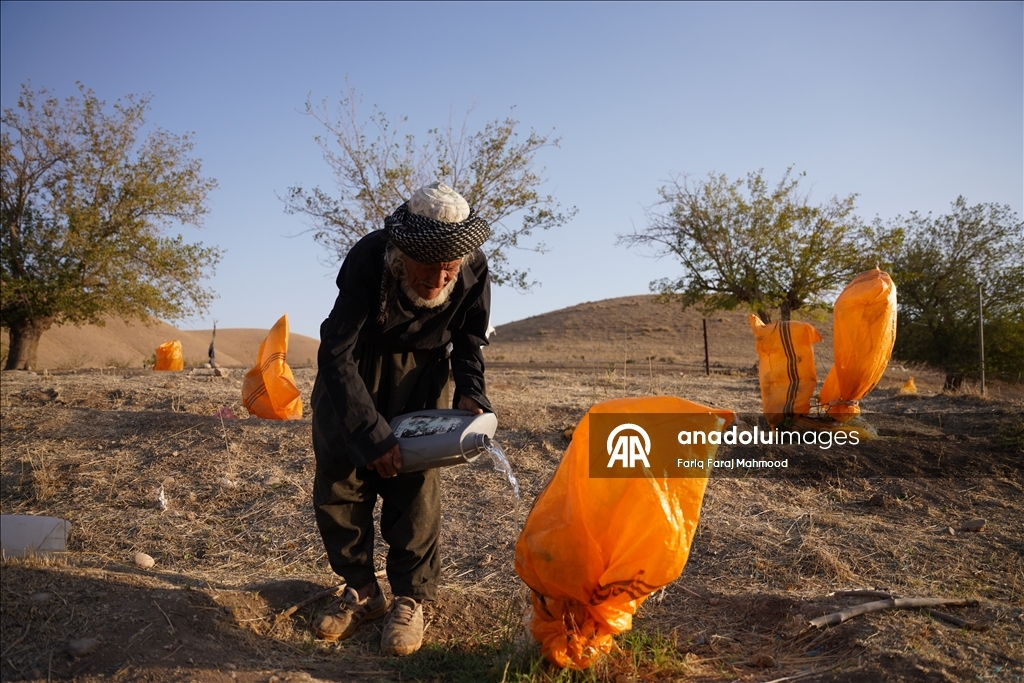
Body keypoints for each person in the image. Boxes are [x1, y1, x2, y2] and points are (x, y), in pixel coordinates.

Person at [310, 182, 493, 656]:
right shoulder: (371, 257)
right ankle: (362, 592)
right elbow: (334, 349)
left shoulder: (473, 266)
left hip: (422, 374)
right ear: (402, 254)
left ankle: (410, 599)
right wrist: (369, 432)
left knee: (414, 487)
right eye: (427, 269)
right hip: (356, 368)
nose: (437, 282)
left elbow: (470, 340)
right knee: (342, 479)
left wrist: (472, 391)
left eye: (447, 270)